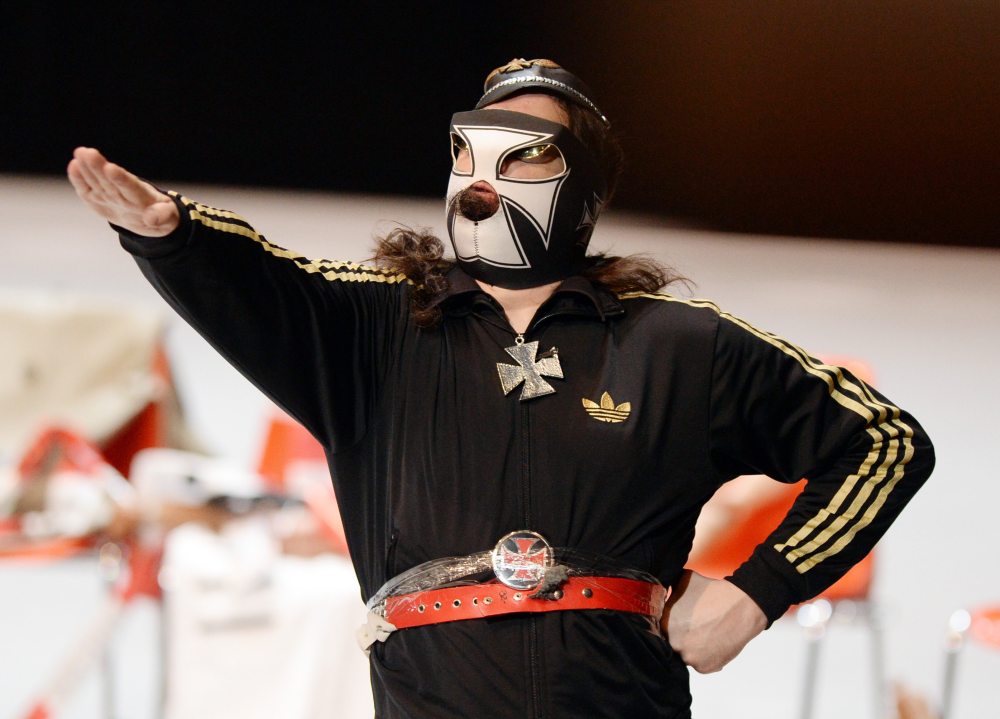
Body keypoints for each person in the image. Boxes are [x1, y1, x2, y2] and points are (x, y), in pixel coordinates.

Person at [67, 58, 934, 718]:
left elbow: (887, 444)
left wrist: (759, 590)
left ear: (581, 187)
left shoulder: (679, 344)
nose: (481, 178)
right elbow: (265, 282)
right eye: (469, 150)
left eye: (523, 156)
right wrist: (173, 235)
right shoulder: (375, 328)